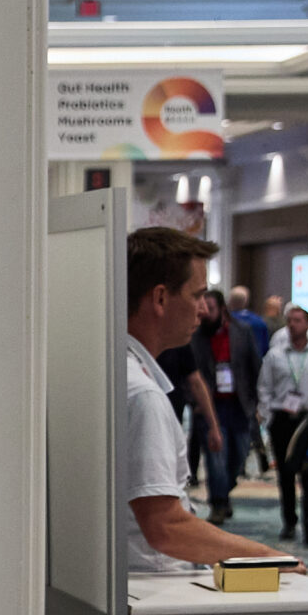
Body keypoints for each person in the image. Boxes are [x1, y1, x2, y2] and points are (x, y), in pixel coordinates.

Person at [122, 227, 281, 575]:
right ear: (160, 299)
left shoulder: (119, 372)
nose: (202, 309)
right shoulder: (141, 394)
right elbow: (165, 527)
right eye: (197, 296)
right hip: (156, 581)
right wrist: (269, 558)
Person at [185, 287, 261, 523]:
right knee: (215, 457)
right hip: (210, 407)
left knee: (239, 455)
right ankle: (218, 503)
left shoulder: (242, 331)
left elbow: (254, 366)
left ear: (222, 310)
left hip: (239, 405)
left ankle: (223, 493)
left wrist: (257, 402)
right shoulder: (195, 335)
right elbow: (188, 374)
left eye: (210, 308)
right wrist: (194, 402)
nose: (205, 313)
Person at [259, 302, 308, 546]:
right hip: (282, 419)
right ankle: (289, 521)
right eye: (289, 320)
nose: (292, 325)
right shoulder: (275, 355)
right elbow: (264, 387)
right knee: (286, 473)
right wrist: (267, 416)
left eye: (298, 321)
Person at [226, 285, 271, 355]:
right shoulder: (259, 322)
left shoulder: (226, 322)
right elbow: (265, 347)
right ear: (246, 301)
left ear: (230, 301)